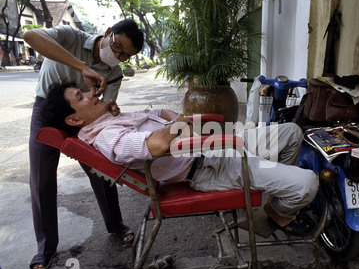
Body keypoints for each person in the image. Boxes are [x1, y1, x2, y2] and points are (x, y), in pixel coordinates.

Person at [40, 83, 320, 237]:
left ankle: (273, 199)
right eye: (82, 96)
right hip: (210, 167)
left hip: (214, 147)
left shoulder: (111, 119)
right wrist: (181, 125)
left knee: (292, 133)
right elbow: (159, 143)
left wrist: (178, 120)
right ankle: (276, 211)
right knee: (307, 183)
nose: (91, 93)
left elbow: (161, 111)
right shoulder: (107, 137)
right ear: (75, 119)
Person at [23, 19, 144, 269]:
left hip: (83, 123)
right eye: (118, 47)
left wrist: (111, 109)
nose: (119, 56)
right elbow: (30, 35)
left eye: (125, 56)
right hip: (47, 112)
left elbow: (104, 109)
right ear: (109, 32)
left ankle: (116, 224)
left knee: (102, 170)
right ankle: (46, 246)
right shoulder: (71, 37)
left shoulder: (114, 73)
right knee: (42, 179)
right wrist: (81, 67)